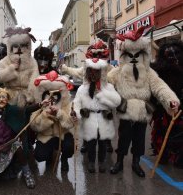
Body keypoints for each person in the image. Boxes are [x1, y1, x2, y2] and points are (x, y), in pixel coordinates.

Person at [108, 27, 180, 177]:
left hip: (143, 110)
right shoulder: (117, 72)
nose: (134, 58)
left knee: (139, 140)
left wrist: (171, 100)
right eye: (129, 55)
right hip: (125, 109)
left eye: (138, 55)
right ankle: (119, 162)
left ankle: (136, 163)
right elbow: (105, 85)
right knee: (123, 139)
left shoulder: (149, 73)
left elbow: (160, 87)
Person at [74, 41, 121, 173]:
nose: (94, 75)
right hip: (89, 118)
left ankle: (101, 163)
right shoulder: (83, 89)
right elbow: (77, 103)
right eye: (92, 72)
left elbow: (116, 102)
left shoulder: (108, 87)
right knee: (90, 142)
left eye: (97, 72)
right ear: (88, 73)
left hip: (103, 118)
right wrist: (75, 113)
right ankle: (90, 162)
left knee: (102, 143)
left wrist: (103, 95)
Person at [30, 70, 76, 171]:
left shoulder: (66, 105)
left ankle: (64, 159)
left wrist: (59, 113)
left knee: (69, 147)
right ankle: (50, 155)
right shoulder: (38, 105)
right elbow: (34, 125)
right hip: (46, 136)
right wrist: (46, 115)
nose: (52, 96)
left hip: (62, 135)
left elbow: (70, 124)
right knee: (40, 155)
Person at [151, 40, 183, 168]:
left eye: (176, 54)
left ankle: (179, 157)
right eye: (170, 54)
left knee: (179, 132)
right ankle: (163, 153)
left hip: (180, 107)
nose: (173, 58)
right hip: (162, 108)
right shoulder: (159, 71)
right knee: (162, 131)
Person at [0, 27, 39, 108]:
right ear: (10, 47)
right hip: (9, 97)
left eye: (23, 46)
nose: (19, 49)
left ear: (27, 46)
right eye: (15, 46)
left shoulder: (32, 62)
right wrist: (11, 68)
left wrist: (31, 96)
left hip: (27, 98)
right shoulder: (6, 60)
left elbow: (35, 80)